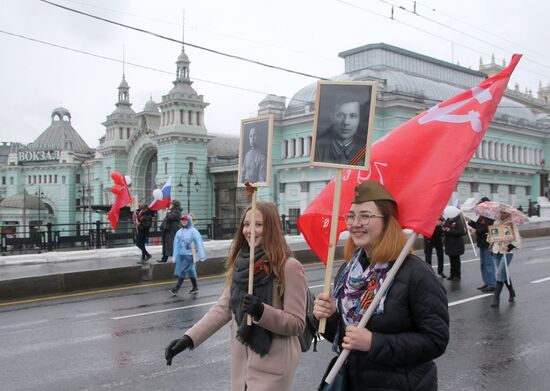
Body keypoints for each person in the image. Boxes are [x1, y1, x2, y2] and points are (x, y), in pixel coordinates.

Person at [313, 181, 449, 390]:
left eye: (365, 216)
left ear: (387, 221)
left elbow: (436, 340)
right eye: (351, 216)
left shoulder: (416, 273)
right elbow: (345, 339)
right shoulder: (348, 271)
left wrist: (374, 343)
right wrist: (330, 317)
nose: (355, 223)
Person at [164, 201, 307, 390]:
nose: (250, 230)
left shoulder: (288, 267)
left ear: (271, 227)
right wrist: (189, 338)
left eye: (258, 224)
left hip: (273, 368)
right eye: (247, 224)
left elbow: (297, 323)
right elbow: (223, 308)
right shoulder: (242, 264)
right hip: (242, 369)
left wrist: (262, 311)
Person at [314, 100, 366, 165]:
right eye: (341, 115)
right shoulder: (317, 147)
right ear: (332, 117)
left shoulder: (365, 151)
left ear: (359, 119)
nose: (346, 122)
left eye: (352, 116)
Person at [169, 215, 206, 296]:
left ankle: (176, 289)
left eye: (185, 220)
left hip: (190, 255)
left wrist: (201, 255)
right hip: (182, 255)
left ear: (189, 221)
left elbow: (199, 243)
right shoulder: (179, 232)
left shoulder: (193, 231)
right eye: (182, 220)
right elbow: (176, 245)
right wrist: (175, 256)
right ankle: (195, 287)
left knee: (183, 271)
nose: (183, 222)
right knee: (191, 271)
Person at [490, 211, 521, 307]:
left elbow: (517, 239)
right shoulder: (496, 222)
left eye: (504, 213)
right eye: (501, 213)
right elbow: (491, 236)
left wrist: (509, 247)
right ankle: (512, 291)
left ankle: (496, 297)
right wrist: (491, 246)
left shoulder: (511, 223)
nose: (502, 215)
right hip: (496, 251)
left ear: (508, 214)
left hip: (506, 252)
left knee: (500, 273)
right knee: (504, 273)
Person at [465, 197, 496, 292]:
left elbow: (487, 228)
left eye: (481, 204)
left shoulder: (490, 215)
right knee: (483, 264)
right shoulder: (482, 215)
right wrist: (470, 222)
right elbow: (479, 226)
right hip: (482, 243)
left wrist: (476, 231)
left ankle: (492, 283)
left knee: (489, 263)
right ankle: (486, 282)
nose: (479, 206)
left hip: (488, 243)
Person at [442, 213, 466, 281]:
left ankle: (457, 275)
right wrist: (444, 229)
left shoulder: (458, 221)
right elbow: (445, 230)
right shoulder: (447, 221)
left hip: (456, 243)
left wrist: (450, 230)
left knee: (456, 260)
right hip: (449, 243)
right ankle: (452, 274)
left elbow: (460, 232)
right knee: (451, 260)